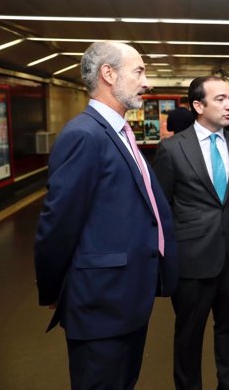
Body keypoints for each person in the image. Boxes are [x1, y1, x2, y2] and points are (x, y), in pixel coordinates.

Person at [34, 41, 178, 390]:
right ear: (108, 74)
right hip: (101, 304)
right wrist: (54, 288)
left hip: (126, 299)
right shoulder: (84, 135)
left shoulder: (118, 133)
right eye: (139, 71)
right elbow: (58, 224)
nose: (147, 82)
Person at [153, 76, 229, 390]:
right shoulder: (172, 150)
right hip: (192, 262)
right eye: (220, 99)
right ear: (198, 105)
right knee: (189, 335)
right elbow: (161, 208)